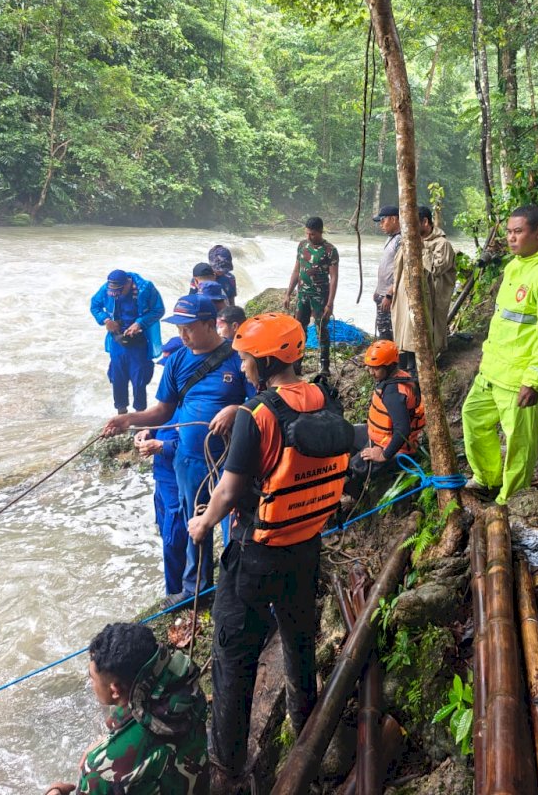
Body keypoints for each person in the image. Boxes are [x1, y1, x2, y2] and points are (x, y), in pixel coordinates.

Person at [186, 313, 352, 793]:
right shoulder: (325, 398)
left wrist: (202, 523)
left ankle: (229, 770)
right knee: (299, 639)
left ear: (263, 360)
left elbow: (229, 490)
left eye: (243, 358)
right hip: (306, 546)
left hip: (256, 557)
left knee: (234, 658)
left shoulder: (258, 416)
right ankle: (308, 734)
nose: (240, 366)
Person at [103, 294, 255, 608]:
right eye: (178, 328)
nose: (182, 334)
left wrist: (236, 409)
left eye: (188, 327)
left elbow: (263, 401)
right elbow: (162, 410)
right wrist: (128, 419)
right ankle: (195, 590)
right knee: (194, 525)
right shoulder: (177, 361)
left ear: (210, 324)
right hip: (188, 461)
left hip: (229, 461)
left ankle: (234, 593)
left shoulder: (237, 358)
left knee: (233, 528)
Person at [462, 205, 538, 506]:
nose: (511, 239)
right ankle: (487, 478)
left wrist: (535, 380)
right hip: (492, 369)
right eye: (509, 232)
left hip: (519, 378)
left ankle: (509, 501)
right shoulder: (514, 265)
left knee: (519, 444)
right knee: (472, 417)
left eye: (518, 232)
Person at [43, 622, 208, 795]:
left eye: (92, 678)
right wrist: (113, 738)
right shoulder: (186, 690)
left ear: (114, 690)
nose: (90, 683)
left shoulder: (100, 772)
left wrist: (54, 791)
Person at [134, 336, 186, 599]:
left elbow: (197, 445)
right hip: (162, 479)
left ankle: (179, 595)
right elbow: (159, 419)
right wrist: (145, 432)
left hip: (179, 480)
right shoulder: (171, 396)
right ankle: (173, 592)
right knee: (166, 533)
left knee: (175, 539)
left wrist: (160, 446)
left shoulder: (193, 399)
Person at [348, 339, 425, 493]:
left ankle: (360, 500)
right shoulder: (398, 376)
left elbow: (402, 430)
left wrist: (383, 455)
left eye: (375, 369)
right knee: (347, 434)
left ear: (389, 366)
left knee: (349, 472)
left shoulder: (393, 393)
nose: (371, 372)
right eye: (370, 368)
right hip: (380, 436)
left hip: (395, 448)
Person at [391, 205, 456, 373]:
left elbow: (436, 268)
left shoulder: (442, 244)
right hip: (405, 301)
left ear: (425, 222)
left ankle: (420, 373)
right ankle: (406, 370)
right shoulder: (408, 242)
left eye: (413, 225)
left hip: (429, 303)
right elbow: (398, 268)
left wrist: (421, 247)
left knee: (422, 340)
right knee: (405, 339)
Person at [90, 269, 164, 414]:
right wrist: (105, 319)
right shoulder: (107, 288)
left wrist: (139, 323)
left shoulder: (145, 288)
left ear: (127, 284)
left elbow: (158, 310)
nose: (116, 295)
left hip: (139, 342)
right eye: (113, 293)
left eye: (119, 291)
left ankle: (139, 417)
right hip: (117, 341)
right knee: (117, 378)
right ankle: (121, 412)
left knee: (139, 380)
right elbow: (95, 305)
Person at [284, 216, 339, 374]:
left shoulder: (330, 250)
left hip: (320, 297)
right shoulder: (302, 245)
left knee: (321, 329)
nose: (309, 237)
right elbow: (296, 270)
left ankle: (325, 366)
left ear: (321, 232)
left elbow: (334, 277)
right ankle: (296, 364)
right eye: (307, 233)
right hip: (302, 296)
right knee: (299, 329)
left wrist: (330, 303)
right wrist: (288, 293)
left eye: (312, 234)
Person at [372, 204, 401, 340]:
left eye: (383, 220)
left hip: (391, 296)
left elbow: (401, 271)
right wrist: (378, 290)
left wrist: (389, 294)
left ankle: (390, 360)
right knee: (382, 329)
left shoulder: (400, 240)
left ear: (394, 219)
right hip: (382, 293)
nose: (381, 224)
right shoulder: (391, 238)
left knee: (387, 331)